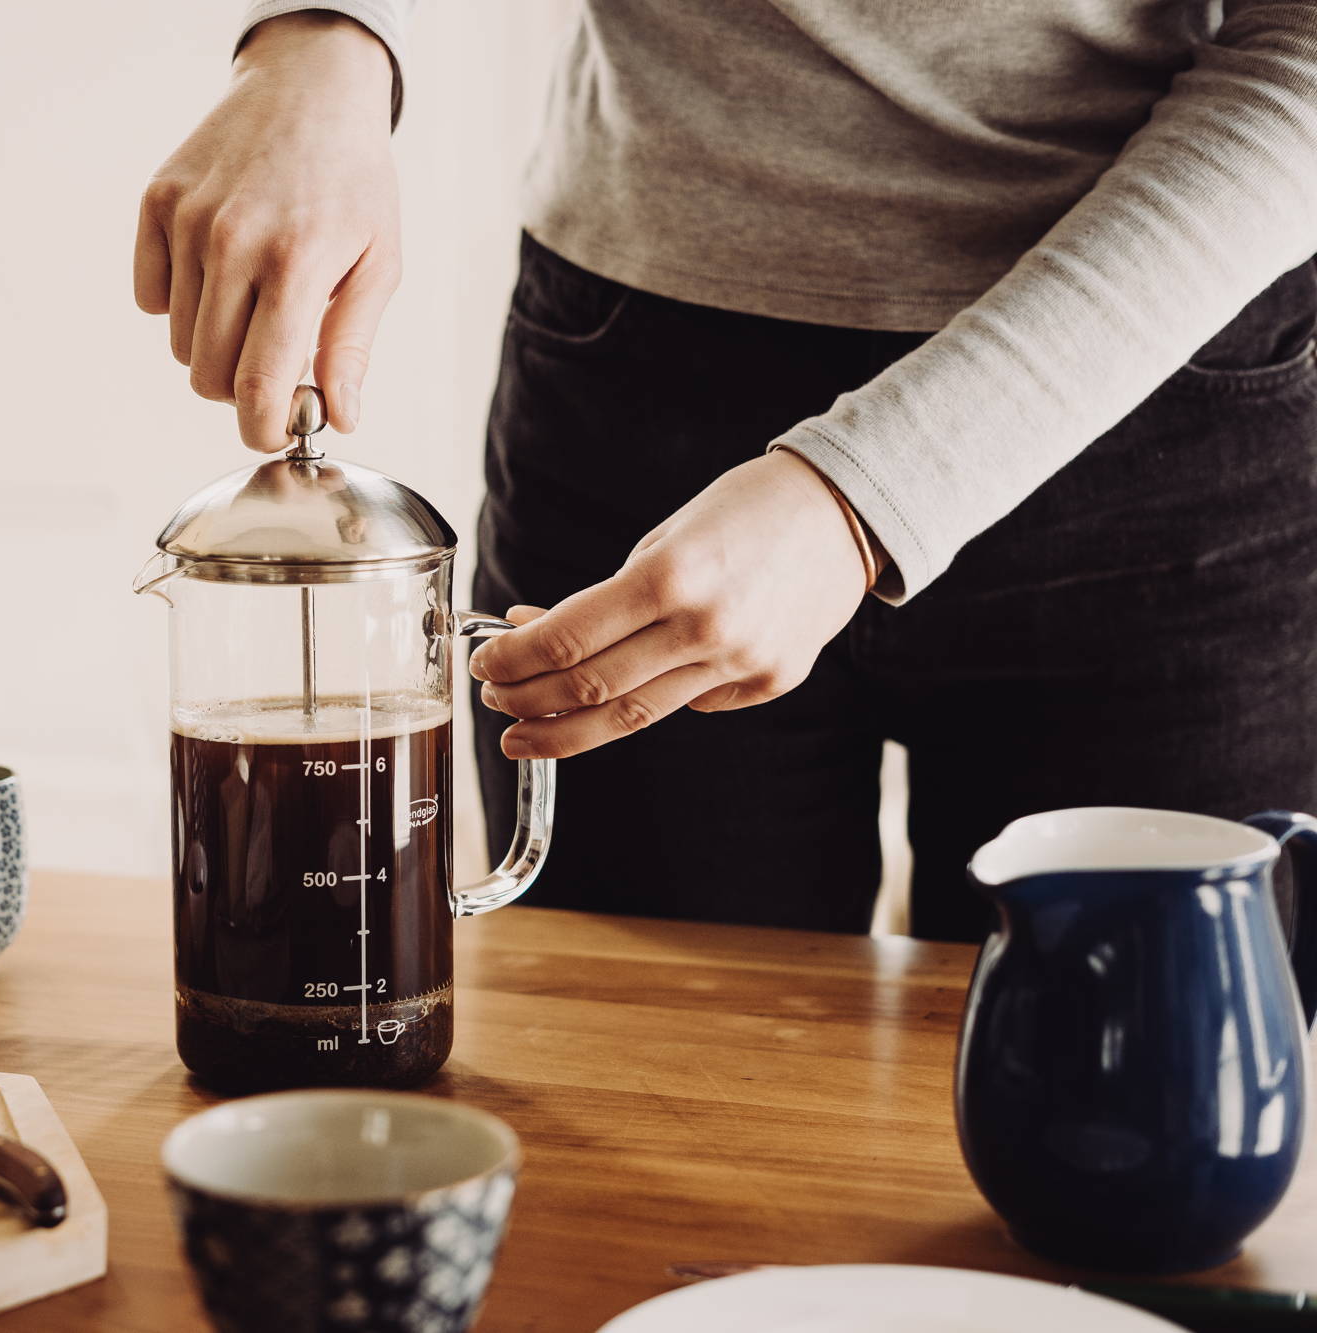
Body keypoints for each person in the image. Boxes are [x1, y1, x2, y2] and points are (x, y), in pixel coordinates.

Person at [134, 4, 1317, 940]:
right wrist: (320, 39)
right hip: (634, 384)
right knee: (644, 1118)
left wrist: (866, 490)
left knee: (1123, 1147)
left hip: (1153, 389)